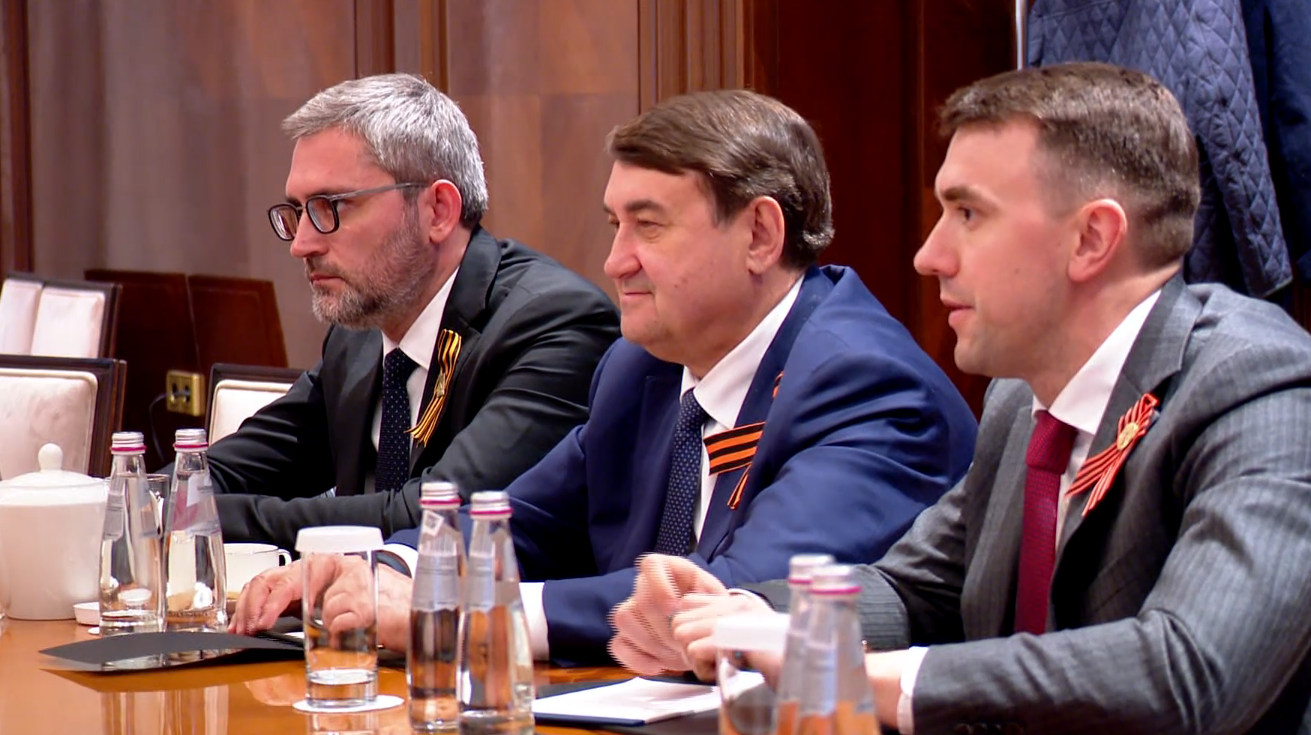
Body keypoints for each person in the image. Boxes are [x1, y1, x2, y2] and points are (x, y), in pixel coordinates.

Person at [610, 62, 1311, 733]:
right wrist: (743, 617)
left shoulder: (1259, 387)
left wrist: (845, 674)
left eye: (967, 213)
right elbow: (914, 592)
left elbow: (1188, 674)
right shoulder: (1019, 400)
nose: (929, 255)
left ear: (1091, 238)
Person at [231, 89, 979, 665]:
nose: (615, 261)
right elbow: (524, 521)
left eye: (648, 226)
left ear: (759, 233)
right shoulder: (640, 366)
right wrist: (375, 568)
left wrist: (456, 616)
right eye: (615, 224)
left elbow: (725, 597)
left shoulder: (867, 385)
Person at [209, 73, 619, 550]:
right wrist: (156, 497)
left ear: (438, 210)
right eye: (298, 212)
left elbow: (433, 518)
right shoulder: (362, 332)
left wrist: (203, 517)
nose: (301, 244)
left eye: (330, 207)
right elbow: (236, 469)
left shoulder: (553, 324)